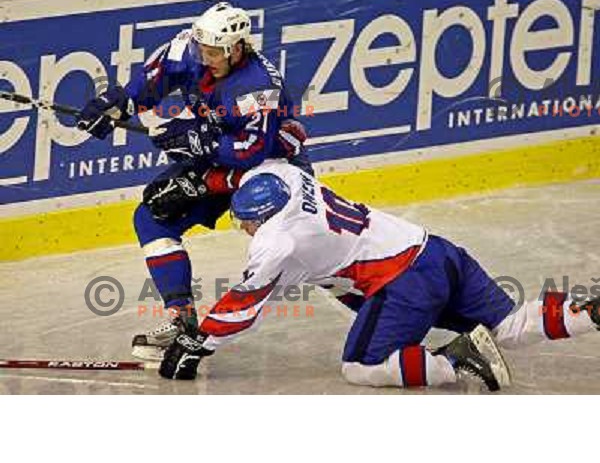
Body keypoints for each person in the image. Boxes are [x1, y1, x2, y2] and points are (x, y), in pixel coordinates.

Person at [159, 160, 600, 390]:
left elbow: (244, 302)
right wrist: (210, 182)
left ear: (266, 219)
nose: (247, 231)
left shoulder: (277, 242)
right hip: (438, 250)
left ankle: (455, 361)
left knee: (360, 366)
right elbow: (256, 166)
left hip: (403, 282)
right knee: (509, 326)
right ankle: (590, 314)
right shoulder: (287, 176)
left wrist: (200, 342)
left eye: (248, 224)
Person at [77, 2, 312, 359]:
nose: (206, 57)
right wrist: (115, 103)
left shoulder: (259, 86)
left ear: (237, 48)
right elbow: (147, 86)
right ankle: (182, 322)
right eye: (203, 49)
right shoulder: (187, 48)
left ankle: (386, 293)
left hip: (273, 169)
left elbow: (251, 149)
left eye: (215, 51)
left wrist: (195, 140)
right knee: (152, 216)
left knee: (310, 253)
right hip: (220, 156)